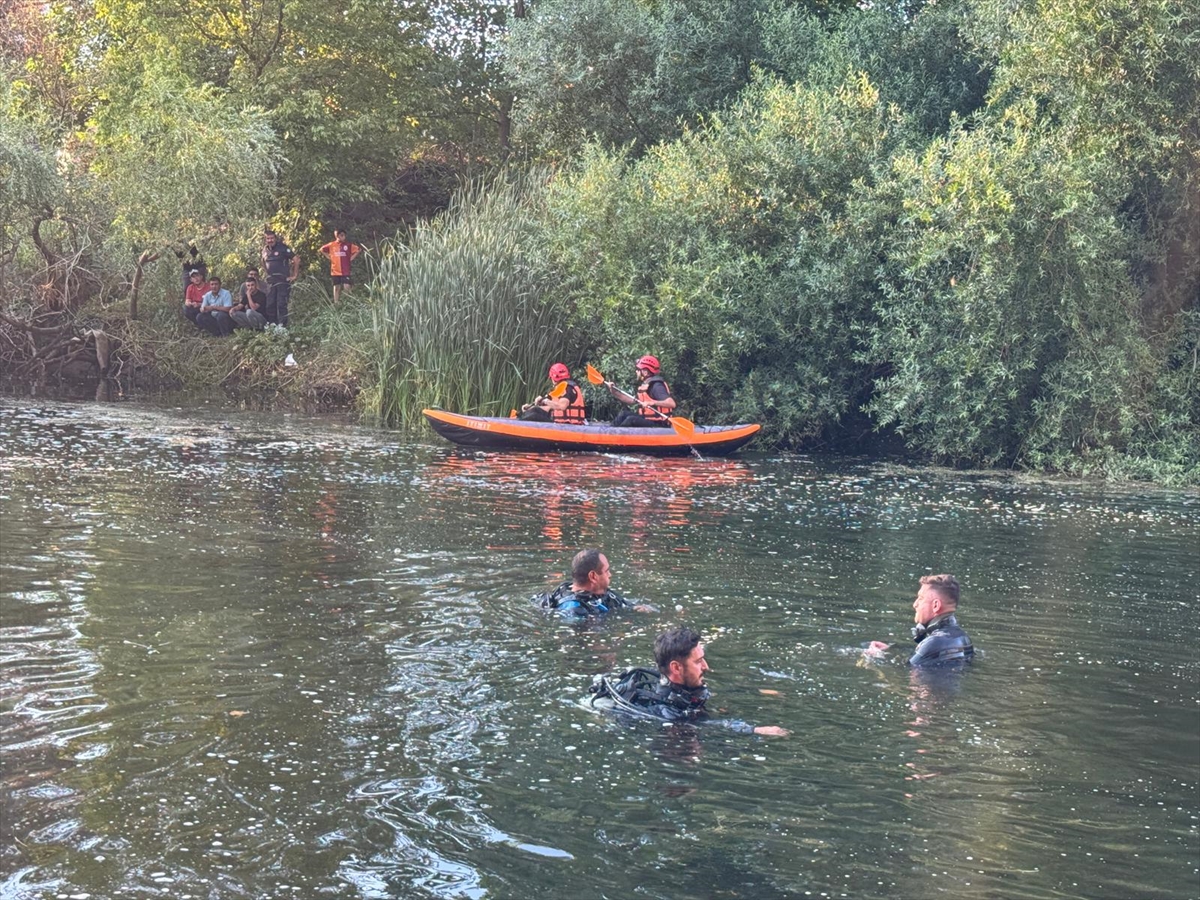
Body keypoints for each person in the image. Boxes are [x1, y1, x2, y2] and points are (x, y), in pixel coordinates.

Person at [590, 627, 789, 735]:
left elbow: (713, 691)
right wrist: (754, 730)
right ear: (676, 668)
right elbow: (707, 725)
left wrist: (755, 692)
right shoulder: (666, 711)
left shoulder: (683, 686)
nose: (706, 667)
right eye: (699, 661)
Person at [867, 574, 974, 667]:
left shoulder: (934, 642)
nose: (915, 604)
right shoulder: (964, 638)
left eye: (921, 598)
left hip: (927, 689)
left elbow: (904, 672)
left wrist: (876, 657)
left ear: (936, 605)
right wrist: (891, 650)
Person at [534, 549, 648, 616]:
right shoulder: (573, 609)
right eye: (606, 571)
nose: (610, 575)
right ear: (593, 576)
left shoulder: (602, 594)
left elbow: (627, 604)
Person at [609, 355, 675, 427]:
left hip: (660, 423)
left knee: (631, 420)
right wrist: (614, 391)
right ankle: (609, 435)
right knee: (623, 414)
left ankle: (620, 437)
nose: (636, 371)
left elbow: (671, 403)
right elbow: (632, 401)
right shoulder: (645, 385)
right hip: (649, 420)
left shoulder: (656, 386)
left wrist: (652, 403)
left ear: (645, 372)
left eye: (638, 369)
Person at [520, 363, 586, 423]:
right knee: (534, 411)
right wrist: (530, 408)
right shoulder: (561, 388)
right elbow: (549, 407)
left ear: (552, 378)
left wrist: (545, 401)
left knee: (534, 413)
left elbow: (562, 406)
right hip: (562, 424)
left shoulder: (567, 388)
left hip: (570, 425)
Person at [261, 229, 299, 327]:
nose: (270, 240)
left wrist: (294, 275)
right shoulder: (265, 250)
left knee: (281, 304)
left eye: (272, 238)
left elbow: (296, 259)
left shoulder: (283, 248)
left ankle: (282, 326)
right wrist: (267, 273)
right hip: (271, 282)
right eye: (268, 238)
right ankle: (272, 326)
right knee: (270, 304)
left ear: (275, 238)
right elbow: (263, 262)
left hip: (283, 281)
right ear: (265, 240)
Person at [319, 228, 361, 303]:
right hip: (335, 270)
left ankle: (347, 302)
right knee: (336, 287)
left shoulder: (348, 245)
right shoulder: (332, 245)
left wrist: (351, 258)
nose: (343, 237)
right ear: (337, 236)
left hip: (345, 270)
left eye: (344, 235)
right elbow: (322, 249)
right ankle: (336, 303)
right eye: (342, 235)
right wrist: (328, 256)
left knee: (347, 287)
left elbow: (358, 250)